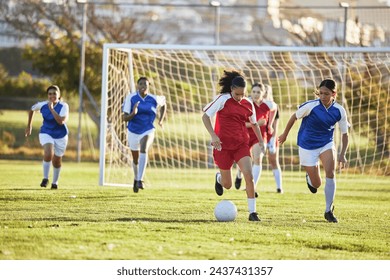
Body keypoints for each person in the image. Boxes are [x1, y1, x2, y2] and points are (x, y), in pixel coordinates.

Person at [278, 79, 349, 223]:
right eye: (320, 93)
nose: (322, 96)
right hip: (307, 145)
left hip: (326, 144)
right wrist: (284, 134)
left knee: (331, 172)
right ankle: (310, 178)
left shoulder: (339, 111)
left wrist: (342, 154)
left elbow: (344, 134)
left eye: (326, 94)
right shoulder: (311, 106)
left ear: (334, 94)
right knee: (316, 184)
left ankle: (328, 210)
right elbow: (294, 117)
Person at [202, 70, 265, 222]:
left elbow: (255, 124)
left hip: (241, 145)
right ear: (231, 90)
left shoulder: (248, 103)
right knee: (228, 185)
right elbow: (205, 116)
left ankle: (253, 212)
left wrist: (261, 141)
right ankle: (219, 178)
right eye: (237, 94)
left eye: (242, 94)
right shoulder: (223, 99)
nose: (240, 97)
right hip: (222, 146)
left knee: (249, 176)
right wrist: (213, 135)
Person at [122, 77, 166, 193]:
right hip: (133, 131)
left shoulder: (153, 98)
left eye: (145, 84)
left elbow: (164, 103)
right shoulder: (131, 98)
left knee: (144, 148)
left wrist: (161, 120)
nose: (143, 86)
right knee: (135, 159)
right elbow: (124, 118)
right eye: (141, 83)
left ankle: (140, 180)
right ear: (137, 85)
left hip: (148, 130)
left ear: (148, 86)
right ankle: (136, 179)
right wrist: (133, 113)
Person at [234, 83, 276, 197]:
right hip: (245, 135)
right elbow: (240, 123)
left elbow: (275, 108)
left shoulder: (268, 104)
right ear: (250, 92)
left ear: (263, 93)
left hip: (260, 137)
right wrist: (256, 124)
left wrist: (270, 124)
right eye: (254, 92)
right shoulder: (245, 103)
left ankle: (253, 186)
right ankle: (239, 175)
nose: (256, 94)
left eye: (258, 92)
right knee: (243, 161)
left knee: (258, 159)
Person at [25, 85, 69, 190]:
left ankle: (55, 182)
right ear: (47, 95)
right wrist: (29, 126)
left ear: (59, 95)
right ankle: (45, 178)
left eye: (54, 93)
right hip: (46, 132)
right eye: (50, 94)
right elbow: (32, 109)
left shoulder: (64, 106)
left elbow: (60, 121)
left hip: (60, 135)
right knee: (48, 152)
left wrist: (52, 109)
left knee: (57, 160)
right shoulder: (43, 105)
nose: (52, 95)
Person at [264, 84, 283, 194]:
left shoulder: (274, 106)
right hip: (259, 137)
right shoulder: (256, 105)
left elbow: (275, 125)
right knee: (253, 159)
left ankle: (279, 187)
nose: (264, 94)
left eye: (266, 91)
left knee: (273, 160)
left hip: (271, 137)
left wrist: (272, 139)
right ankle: (251, 184)